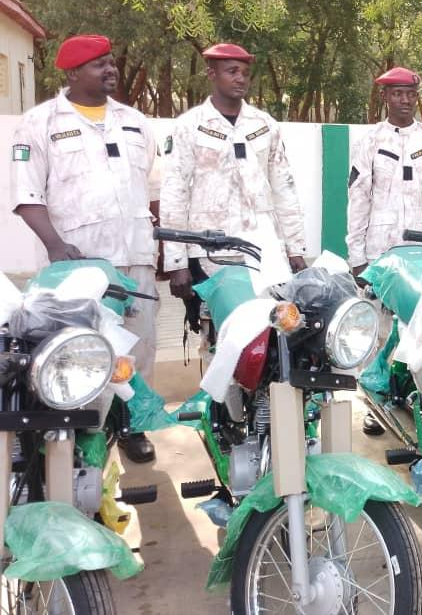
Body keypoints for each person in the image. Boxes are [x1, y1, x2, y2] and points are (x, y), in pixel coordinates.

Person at [11, 34, 159, 463]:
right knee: (82, 349)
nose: (110, 70)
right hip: (80, 266)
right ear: (73, 72)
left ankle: (133, 426)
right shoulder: (39, 123)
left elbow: (150, 188)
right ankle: (79, 437)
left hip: (136, 259)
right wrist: (55, 246)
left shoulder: (135, 122)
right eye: (99, 64)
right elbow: (26, 196)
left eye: (111, 62)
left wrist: (162, 246)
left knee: (139, 347)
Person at [347, 66, 422, 435]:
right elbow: (358, 198)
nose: (404, 100)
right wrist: (356, 255)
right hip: (382, 248)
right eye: (397, 93)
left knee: (421, 323)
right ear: (385, 97)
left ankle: (417, 393)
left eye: (410, 93)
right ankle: (374, 401)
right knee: (380, 325)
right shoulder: (369, 142)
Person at [161, 43, 308, 306]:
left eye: (245, 72)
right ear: (211, 74)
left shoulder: (264, 125)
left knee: (276, 325)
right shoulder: (189, 126)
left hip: (264, 246)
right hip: (211, 249)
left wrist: (295, 248)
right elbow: (175, 193)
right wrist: (176, 261)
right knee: (219, 328)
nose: (240, 78)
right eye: (232, 71)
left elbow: (284, 189)